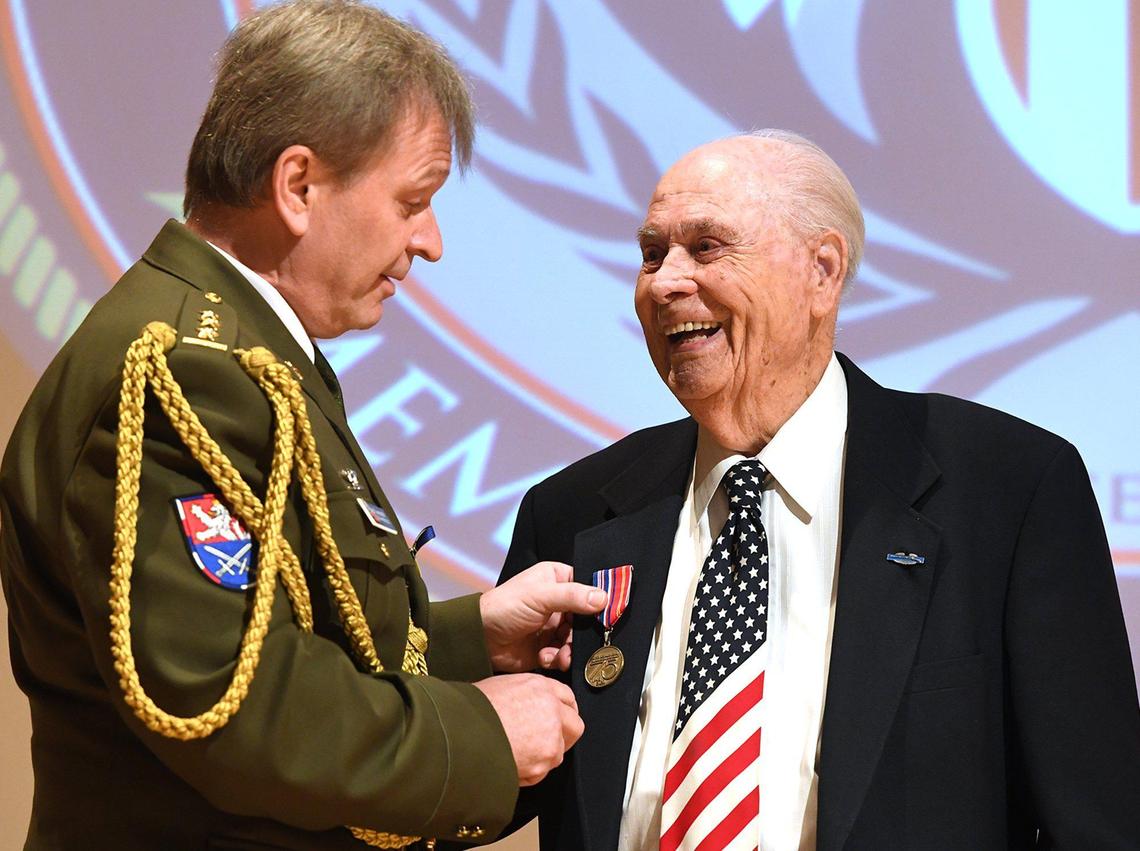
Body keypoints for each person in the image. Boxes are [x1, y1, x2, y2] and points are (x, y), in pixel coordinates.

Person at [0, 2, 603, 849]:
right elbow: (228, 699)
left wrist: (474, 638)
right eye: (413, 200)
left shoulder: (248, 354)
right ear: (298, 186)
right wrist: (478, 733)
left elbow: (300, 628)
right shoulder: (185, 372)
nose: (429, 241)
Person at [497, 130, 1140, 849]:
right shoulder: (573, 512)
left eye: (706, 247)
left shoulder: (1008, 488)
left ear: (822, 272)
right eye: (652, 254)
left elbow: (1097, 818)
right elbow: (487, 794)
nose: (664, 282)